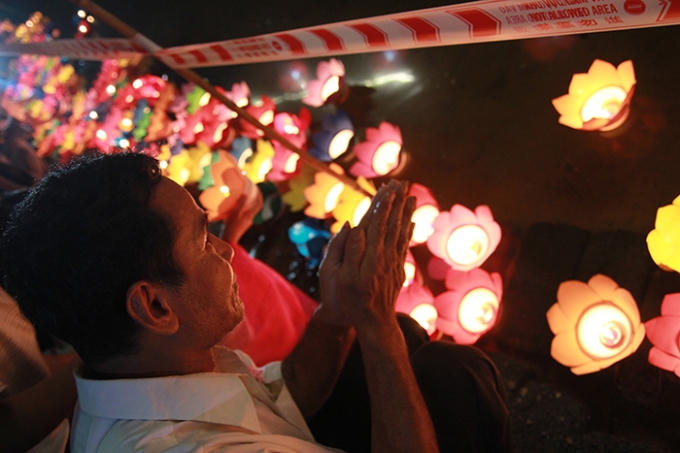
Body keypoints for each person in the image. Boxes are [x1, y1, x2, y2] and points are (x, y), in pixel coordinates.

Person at [0, 153, 508, 452]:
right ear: (154, 308)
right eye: (204, 241)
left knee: (419, 346)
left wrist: (336, 313)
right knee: (452, 374)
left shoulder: (152, 368)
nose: (227, 250)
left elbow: (284, 398)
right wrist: (376, 327)